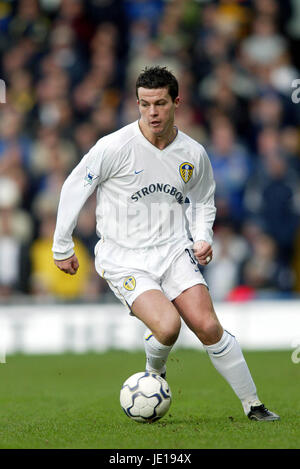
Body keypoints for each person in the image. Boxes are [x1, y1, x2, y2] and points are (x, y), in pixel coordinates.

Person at [52, 66, 279, 421]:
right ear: (137, 104)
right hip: (124, 257)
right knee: (169, 326)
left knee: (207, 325)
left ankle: (254, 406)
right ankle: (154, 368)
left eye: (159, 103)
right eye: (144, 104)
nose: (152, 112)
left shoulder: (193, 153)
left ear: (177, 102)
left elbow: (203, 201)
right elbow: (74, 186)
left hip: (173, 250)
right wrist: (61, 246)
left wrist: (202, 237)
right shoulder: (114, 147)